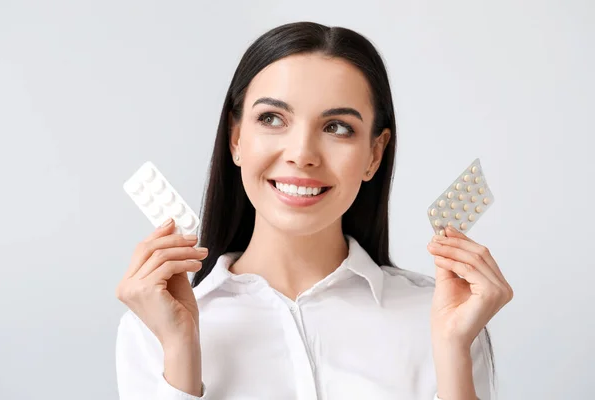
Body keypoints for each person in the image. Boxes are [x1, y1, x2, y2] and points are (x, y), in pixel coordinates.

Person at [115, 21, 513, 400]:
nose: (302, 155)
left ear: (374, 154)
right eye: (272, 119)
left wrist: (454, 349)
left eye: (338, 127)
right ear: (236, 139)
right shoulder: (156, 323)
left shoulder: (439, 318)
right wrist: (181, 351)